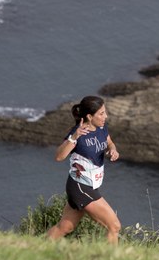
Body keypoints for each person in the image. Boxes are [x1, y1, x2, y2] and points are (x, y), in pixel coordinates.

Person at [46, 95, 122, 245]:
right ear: (89, 116)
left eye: (104, 112)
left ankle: (36, 248)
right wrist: (74, 137)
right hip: (80, 186)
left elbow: (109, 142)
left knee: (65, 227)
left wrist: (113, 150)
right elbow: (59, 157)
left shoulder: (101, 127)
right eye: (101, 113)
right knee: (114, 226)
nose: (105, 116)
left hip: (88, 186)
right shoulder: (78, 133)